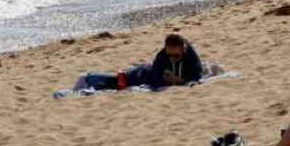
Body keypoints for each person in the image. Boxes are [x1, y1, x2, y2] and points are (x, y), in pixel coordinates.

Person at [72, 32, 205, 91]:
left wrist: (185, 81)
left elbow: (197, 72)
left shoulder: (190, 55)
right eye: (169, 54)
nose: (171, 58)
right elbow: (156, 81)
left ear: (183, 49)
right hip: (144, 73)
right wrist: (169, 80)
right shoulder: (162, 56)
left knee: (118, 84)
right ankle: (87, 77)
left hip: (153, 73)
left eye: (175, 55)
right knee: (120, 82)